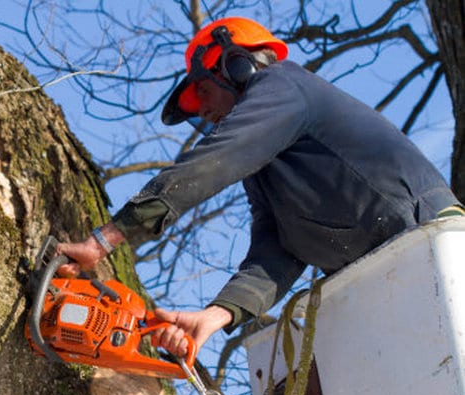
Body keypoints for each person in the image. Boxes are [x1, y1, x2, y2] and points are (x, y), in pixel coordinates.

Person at [56, 17, 463, 357]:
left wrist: (105, 239)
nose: (207, 112)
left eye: (203, 92)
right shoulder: (265, 166)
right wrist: (215, 316)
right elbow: (277, 251)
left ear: (237, 66)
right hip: (383, 279)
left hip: (428, 242)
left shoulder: (285, 86)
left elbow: (217, 159)